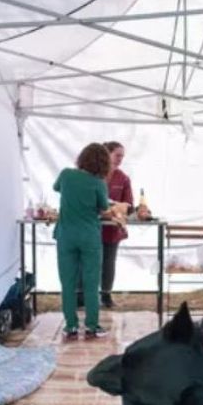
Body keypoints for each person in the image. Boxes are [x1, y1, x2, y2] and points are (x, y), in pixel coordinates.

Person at [53, 143, 111, 340]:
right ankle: (92, 326)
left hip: (66, 236)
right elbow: (104, 208)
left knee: (67, 283)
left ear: (82, 157)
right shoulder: (98, 183)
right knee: (91, 283)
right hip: (89, 237)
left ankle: (70, 326)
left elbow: (56, 187)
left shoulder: (66, 175)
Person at [100, 141, 134, 309]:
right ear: (107, 154)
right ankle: (81, 295)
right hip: (92, 228)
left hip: (113, 229)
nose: (120, 159)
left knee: (109, 262)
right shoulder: (94, 174)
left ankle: (106, 295)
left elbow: (129, 204)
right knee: (87, 263)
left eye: (122, 156)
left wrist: (118, 208)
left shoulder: (123, 178)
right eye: (117, 155)